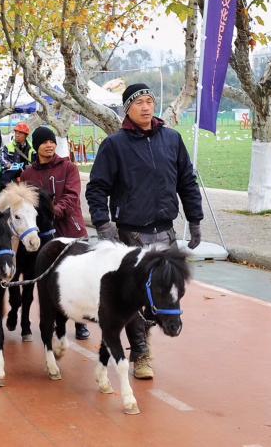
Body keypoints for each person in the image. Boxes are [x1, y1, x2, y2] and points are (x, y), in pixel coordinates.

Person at [85, 83, 203, 380]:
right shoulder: (114, 145)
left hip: (164, 231)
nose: (146, 107)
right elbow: (97, 188)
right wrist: (103, 222)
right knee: (134, 297)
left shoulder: (172, 140)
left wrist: (195, 219)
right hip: (130, 235)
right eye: (139, 103)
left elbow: (187, 182)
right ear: (128, 109)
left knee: (165, 292)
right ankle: (140, 353)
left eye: (150, 101)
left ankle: (148, 336)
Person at [20, 126, 91, 340]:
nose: (49, 145)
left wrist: (53, 212)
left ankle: (79, 323)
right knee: (45, 280)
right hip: (41, 236)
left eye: (51, 141)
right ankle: (46, 322)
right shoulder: (27, 174)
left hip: (70, 230)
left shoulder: (68, 167)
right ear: (36, 146)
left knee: (78, 279)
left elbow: (72, 196)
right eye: (44, 142)